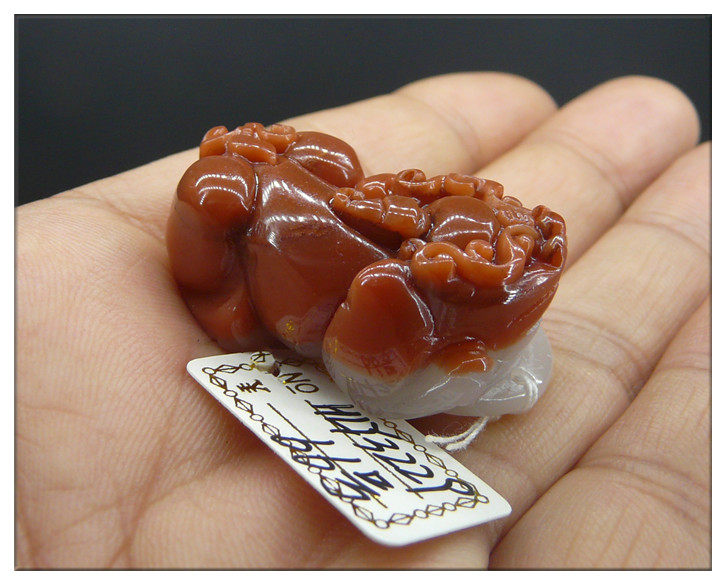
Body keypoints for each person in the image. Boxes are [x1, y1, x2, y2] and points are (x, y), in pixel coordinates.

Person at [15, 72, 710, 568]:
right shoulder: (385, 293)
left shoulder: (441, 281)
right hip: (276, 260)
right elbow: (367, 360)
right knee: (226, 200)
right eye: (476, 356)